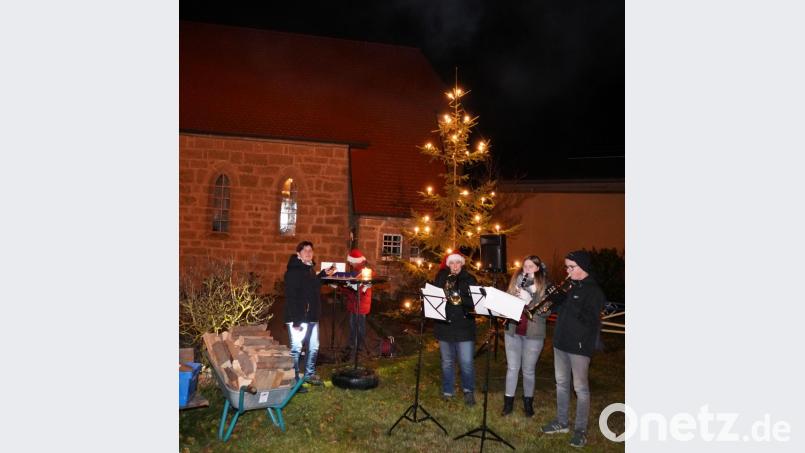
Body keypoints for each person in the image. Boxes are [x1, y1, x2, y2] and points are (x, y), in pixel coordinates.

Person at [540, 250, 605, 448]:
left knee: (581, 389)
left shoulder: (594, 291)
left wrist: (569, 298)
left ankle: (580, 430)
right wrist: (552, 303)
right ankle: (561, 422)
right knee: (561, 383)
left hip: (578, 346)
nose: (567, 271)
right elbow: (560, 311)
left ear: (582, 267)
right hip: (560, 343)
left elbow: (590, 321)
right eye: (566, 267)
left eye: (571, 267)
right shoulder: (570, 287)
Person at [501, 255, 551, 417]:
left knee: (528, 370)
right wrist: (512, 299)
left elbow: (547, 312)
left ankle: (528, 403)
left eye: (531, 266)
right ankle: (508, 404)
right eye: (525, 266)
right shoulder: (516, 282)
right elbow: (506, 305)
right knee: (512, 368)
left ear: (538, 268)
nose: (527, 269)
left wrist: (530, 300)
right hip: (513, 331)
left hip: (533, 334)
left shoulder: (544, 286)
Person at [284, 240, 336, 387]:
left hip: (311, 316)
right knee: (296, 348)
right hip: (298, 317)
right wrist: (296, 321)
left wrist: (324, 274)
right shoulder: (293, 271)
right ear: (298, 254)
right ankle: (293, 380)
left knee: (313, 347)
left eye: (310, 250)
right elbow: (291, 297)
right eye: (305, 250)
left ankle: (309, 374)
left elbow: (312, 285)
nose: (308, 253)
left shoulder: (309, 270)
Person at [433, 252, 478, 406]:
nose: (455, 266)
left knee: (466, 362)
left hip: (464, 327)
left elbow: (475, 302)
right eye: (452, 263)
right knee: (447, 361)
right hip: (445, 325)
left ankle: (468, 391)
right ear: (448, 265)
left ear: (462, 264)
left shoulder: (470, 279)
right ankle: (448, 391)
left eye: (458, 263)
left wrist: (459, 298)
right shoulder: (441, 277)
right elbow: (435, 296)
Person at [338, 248, 373, 361]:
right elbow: (350, 291)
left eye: (351, 262)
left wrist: (346, 286)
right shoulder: (355, 271)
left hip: (360, 304)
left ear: (356, 261)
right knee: (353, 325)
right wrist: (341, 287)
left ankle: (359, 347)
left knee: (360, 326)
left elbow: (361, 288)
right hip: (354, 303)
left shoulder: (364, 271)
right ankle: (352, 345)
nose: (350, 264)